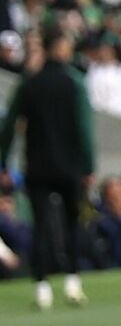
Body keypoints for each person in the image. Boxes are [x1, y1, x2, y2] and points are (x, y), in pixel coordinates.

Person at [0, 27, 96, 309]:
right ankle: (72, 281)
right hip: (69, 166)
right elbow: (84, 129)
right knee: (71, 223)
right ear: (61, 47)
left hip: (38, 165)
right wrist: (88, 165)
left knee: (41, 226)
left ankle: (42, 287)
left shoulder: (30, 84)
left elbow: (9, 127)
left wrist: (3, 161)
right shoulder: (74, 83)